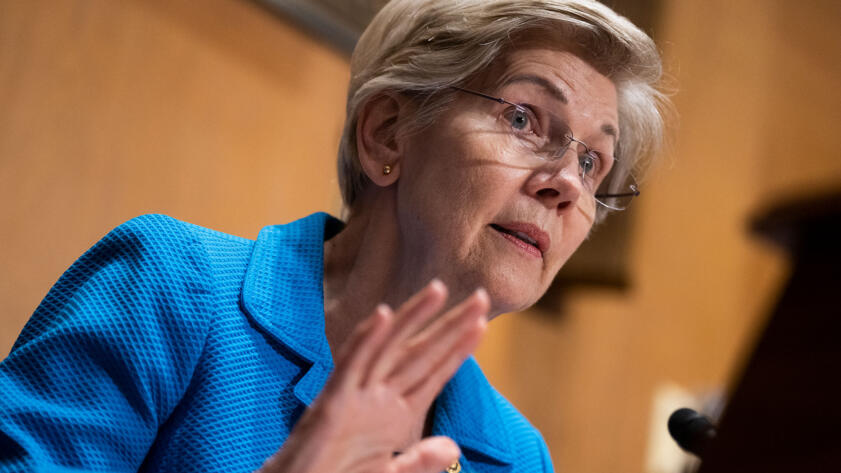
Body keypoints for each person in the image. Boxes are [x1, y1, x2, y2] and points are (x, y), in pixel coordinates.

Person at [0, 0, 670, 472]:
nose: (567, 185)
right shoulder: (171, 287)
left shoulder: (516, 456)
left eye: (591, 161)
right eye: (524, 118)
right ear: (385, 133)